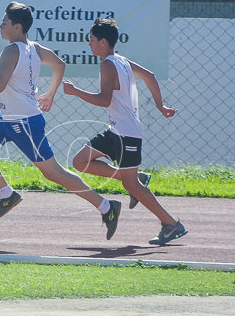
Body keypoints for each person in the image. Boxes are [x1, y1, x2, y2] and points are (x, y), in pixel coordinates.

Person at [0, 1, 122, 238]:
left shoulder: (12, 50)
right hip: (10, 117)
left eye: (5, 22)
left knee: (53, 173)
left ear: (17, 27)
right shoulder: (35, 48)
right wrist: (49, 93)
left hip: (24, 122)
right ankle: (6, 193)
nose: (0, 25)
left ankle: (106, 207)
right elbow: (60, 64)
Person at [63, 17, 186, 246]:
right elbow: (149, 75)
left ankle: (171, 224)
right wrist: (160, 106)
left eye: (91, 40)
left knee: (131, 186)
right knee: (80, 162)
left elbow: (104, 99)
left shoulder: (108, 64)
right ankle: (136, 178)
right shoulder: (121, 61)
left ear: (103, 41)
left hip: (127, 134)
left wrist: (75, 91)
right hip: (115, 131)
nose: (89, 44)